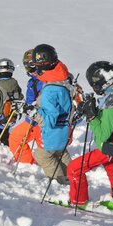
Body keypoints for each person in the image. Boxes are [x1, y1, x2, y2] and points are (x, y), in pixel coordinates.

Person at [67, 61, 113, 210]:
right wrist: (95, 110)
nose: (94, 86)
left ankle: (78, 201)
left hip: (109, 146)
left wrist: (92, 117)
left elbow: (103, 134)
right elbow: (111, 121)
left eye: (94, 83)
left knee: (74, 168)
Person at [32, 44, 72, 185]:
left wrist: (34, 113)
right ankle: (73, 175)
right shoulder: (63, 78)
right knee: (60, 152)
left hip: (54, 129)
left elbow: (49, 119)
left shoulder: (49, 90)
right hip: (65, 126)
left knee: (42, 155)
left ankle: (59, 181)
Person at [8, 49, 43, 164]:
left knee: (45, 149)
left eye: (29, 64)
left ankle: (29, 165)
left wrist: (29, 109)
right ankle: (28, 163)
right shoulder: (34, 80)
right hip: (32, 119)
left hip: (40, 120)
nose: (28, 67)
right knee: (15, 138)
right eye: (26, 64)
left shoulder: (43, 80)